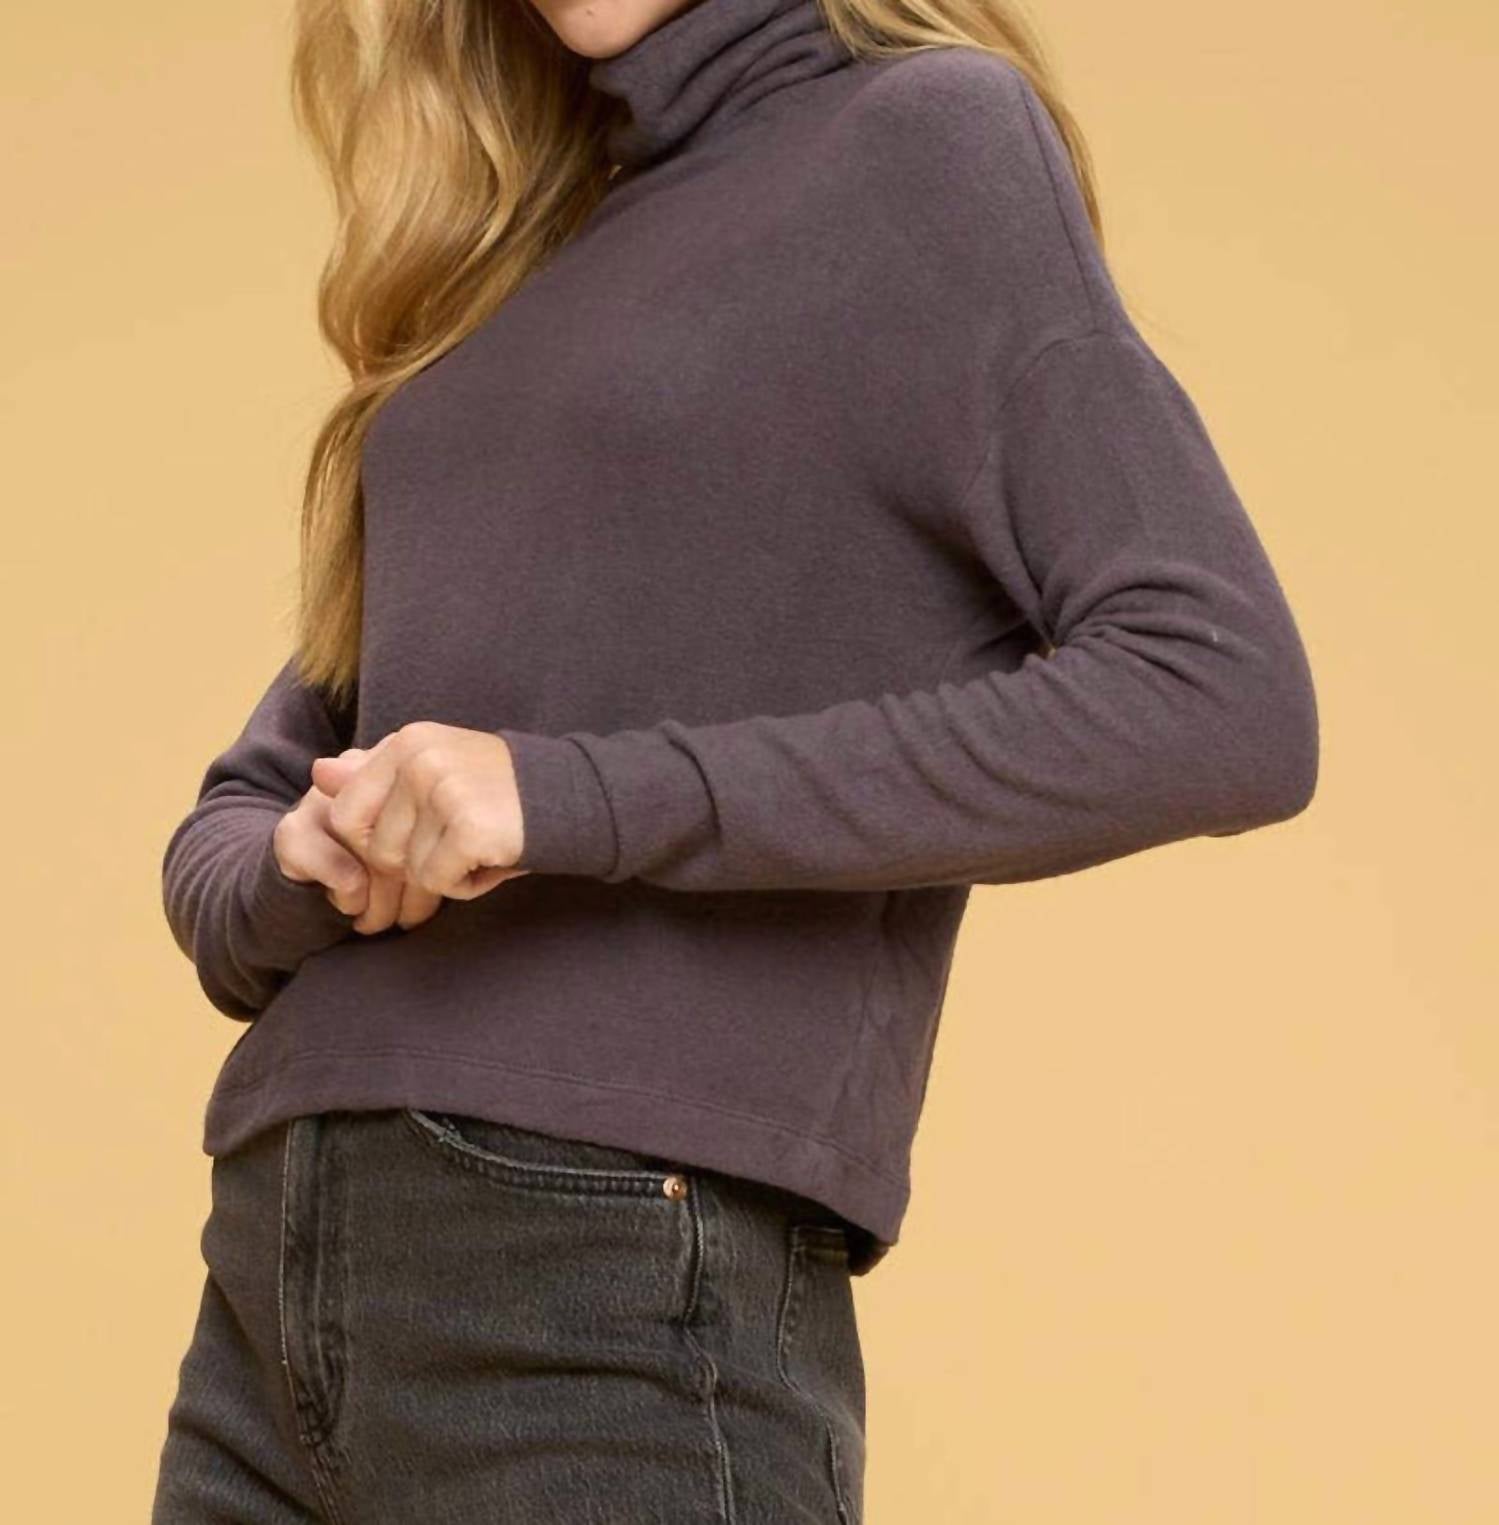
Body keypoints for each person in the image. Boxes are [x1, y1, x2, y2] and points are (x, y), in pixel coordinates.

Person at [150, 0, 1320, 1518]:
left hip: (605, 1265)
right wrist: (295, 864)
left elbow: (1219, 694)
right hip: (274, 1267)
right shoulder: (517, 251)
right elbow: (247, 804)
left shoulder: (926, 143)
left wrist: (575, 798)